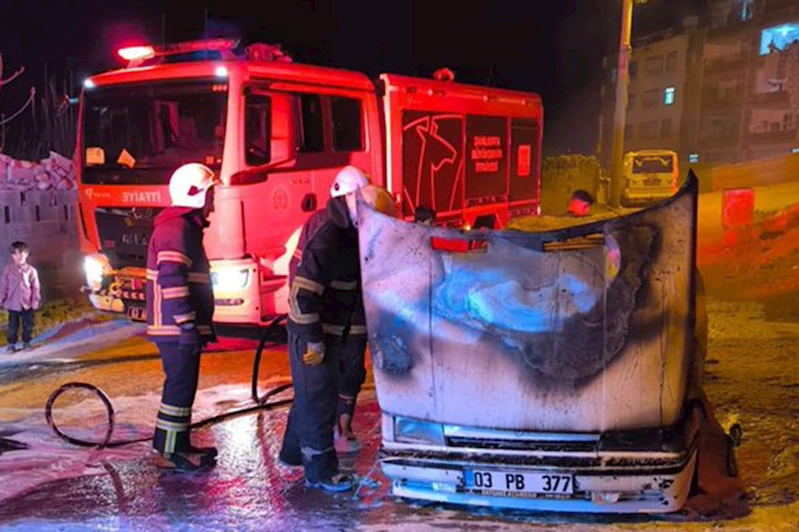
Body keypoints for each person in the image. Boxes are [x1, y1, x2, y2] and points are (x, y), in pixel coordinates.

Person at [279, 165, 395, 491]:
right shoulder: (331, 235)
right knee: (317, 399)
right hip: (312, 334)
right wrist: (313, 341)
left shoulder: (345, 231)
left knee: (311, 394)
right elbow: (302, 294)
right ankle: (321, 472)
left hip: (327, 331)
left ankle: (292, 454)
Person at [146, 163, 219, 473]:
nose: (214, 201)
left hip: (176, 328)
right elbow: (173, 281)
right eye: (211, 194)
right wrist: (187, 324)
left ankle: (177, 446)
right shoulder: (177, 230)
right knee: (178, 389)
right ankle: (170, 453)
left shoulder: (181, 227)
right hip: (176, 329)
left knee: (181, 388)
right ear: (198, 196)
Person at [1, 241, 41, 353]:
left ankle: (26, 342)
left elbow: (35, 287)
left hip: (27, 303)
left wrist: (35, 301)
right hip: (12, 304)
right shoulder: (8, 270)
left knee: (28, 324)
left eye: (21, 253)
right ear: (12, 256)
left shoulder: (31, 270)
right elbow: (4, 286)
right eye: (15, 254)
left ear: (26, 254)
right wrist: (1, 299)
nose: (18, 256)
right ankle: (11, 343)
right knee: (13, 325)